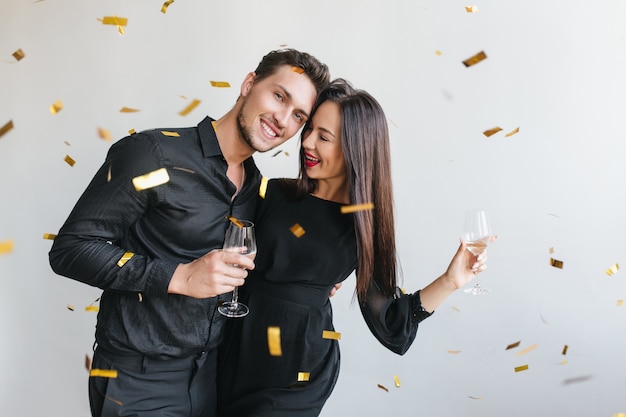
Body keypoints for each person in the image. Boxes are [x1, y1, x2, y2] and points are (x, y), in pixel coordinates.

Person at [48, 49, 330, 417]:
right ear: (249, 84)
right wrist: (178, 276)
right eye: (279, 96)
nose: (282, 119)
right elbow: (70, 249)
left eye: (298, 116)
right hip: (138, 379)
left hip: (213, 377)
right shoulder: (152, 153)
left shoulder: (258, 189)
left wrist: (312, 275)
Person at [216, 79, 492, 417]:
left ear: (355, 150)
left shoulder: (364, 226)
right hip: (232, 350)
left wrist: (450, 281)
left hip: (296, 373)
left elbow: (391, 322)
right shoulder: (273, 192)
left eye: (324, 137)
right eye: (310, 129)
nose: (307, 143)